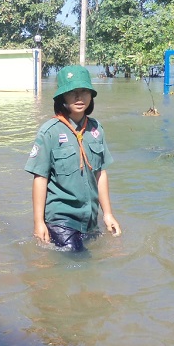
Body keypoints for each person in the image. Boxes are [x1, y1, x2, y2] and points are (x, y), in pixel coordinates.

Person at [24, 65, 121, 251]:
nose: (79, 97)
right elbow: (40, 178)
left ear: (91, 96)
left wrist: (107, 214)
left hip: (90, 219)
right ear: (62, 98)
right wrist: (38, 223)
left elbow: (100, 174)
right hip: (62, 219)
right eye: (72, 92)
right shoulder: (49, 132)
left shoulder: (96, 130)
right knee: (80, 263)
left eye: (84, 91)